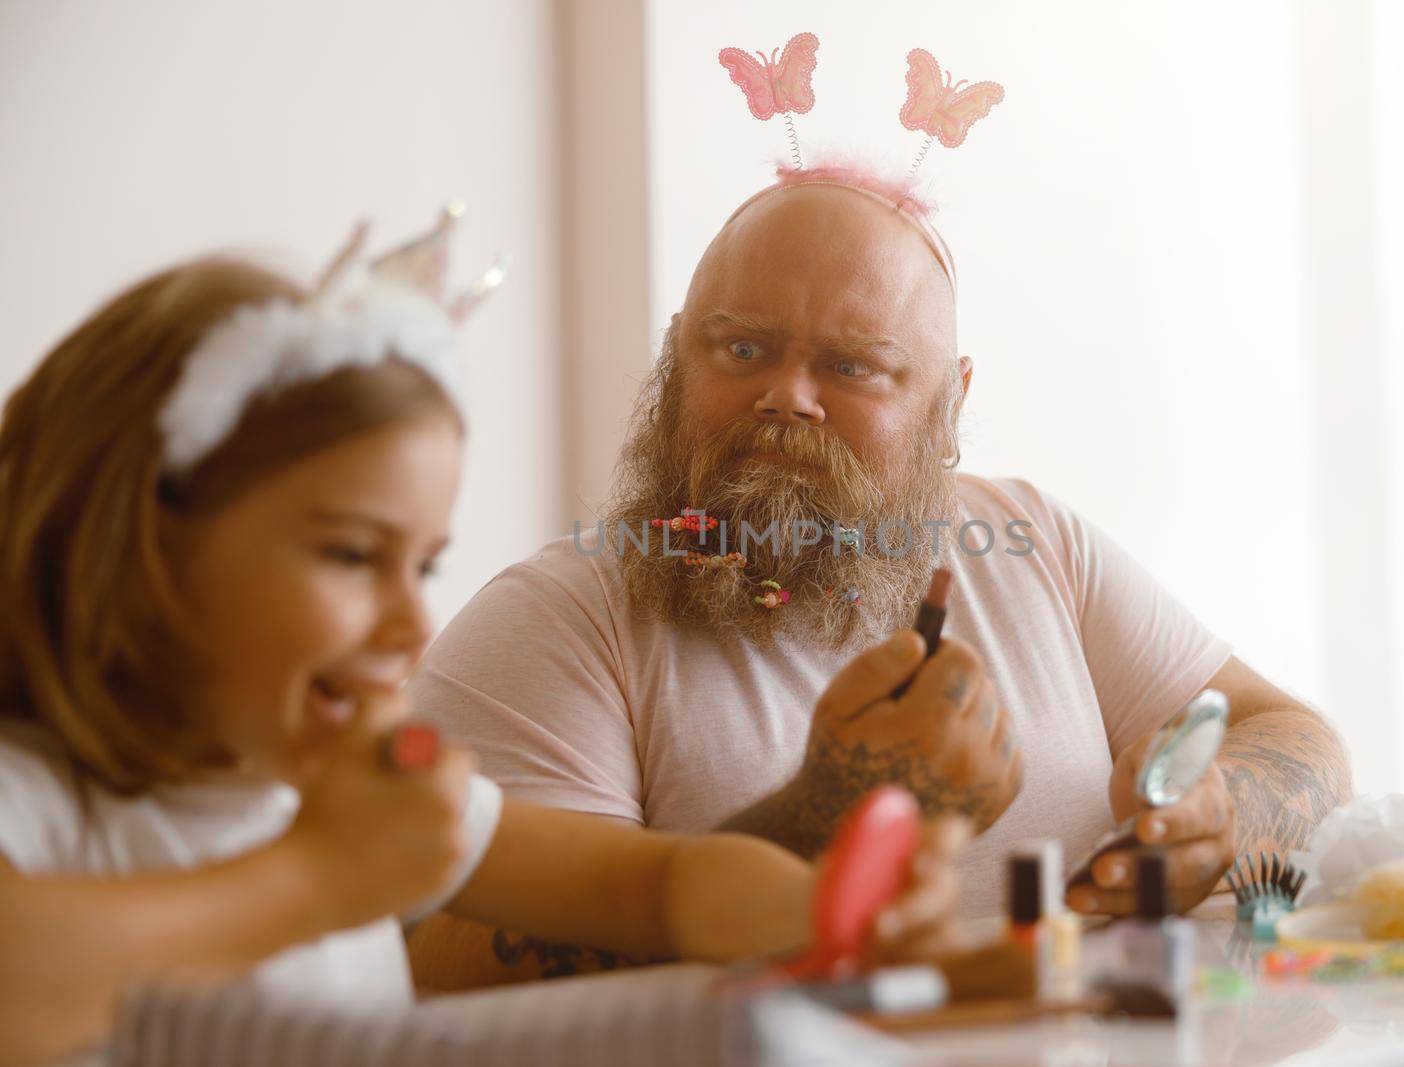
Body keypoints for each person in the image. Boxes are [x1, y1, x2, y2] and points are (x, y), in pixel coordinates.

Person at [0, 221, 964, 1066]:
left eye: (421, 567)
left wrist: (820, 908)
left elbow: (661, 888)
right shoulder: (37, 798)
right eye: (350, 555)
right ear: (138, 541)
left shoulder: (345, 791)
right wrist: (317, 877)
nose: (412, 624)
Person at [407, 164, 1353, 982]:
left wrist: (1222, 813)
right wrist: (823, 813)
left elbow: (1299, 738)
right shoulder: (557, 622)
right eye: (741, 348)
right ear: (674, 355)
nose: (787, 396)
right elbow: (447, 960)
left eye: (853, 367)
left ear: (953, 400)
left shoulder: (1037, 541)